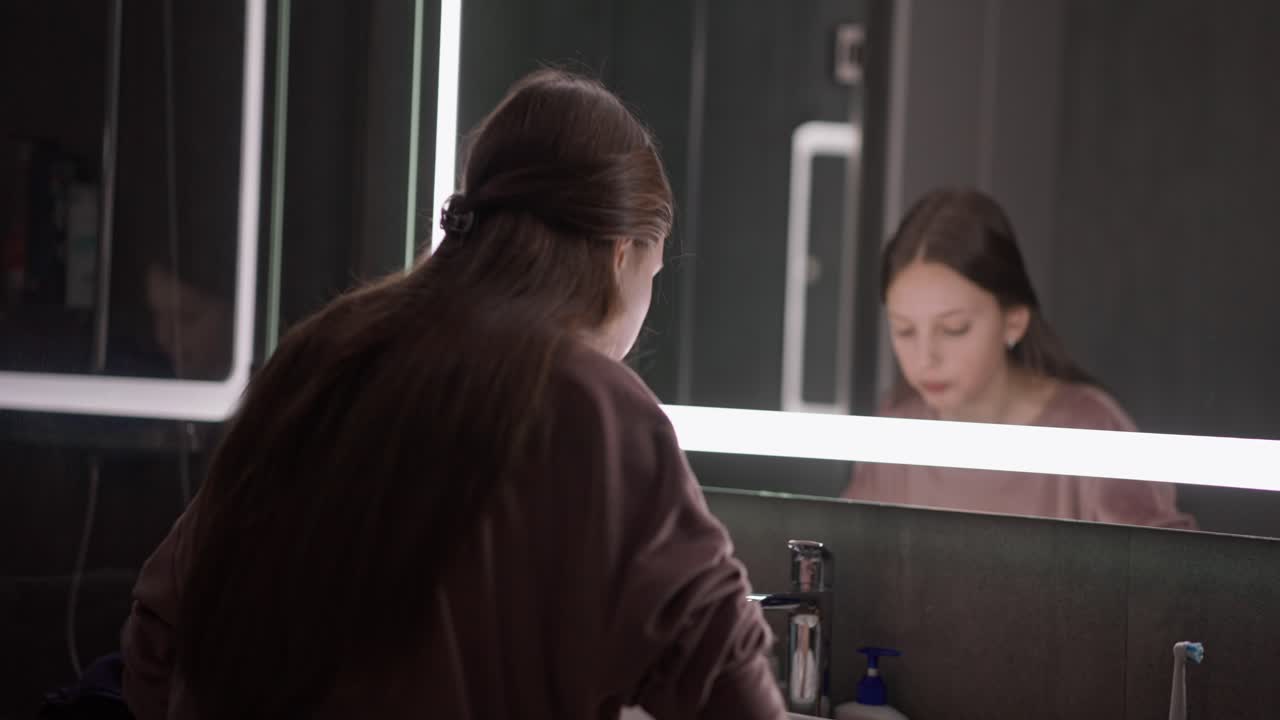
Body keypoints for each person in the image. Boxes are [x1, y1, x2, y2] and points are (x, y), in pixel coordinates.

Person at [121, 69, 788, 719]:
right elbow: (727, 684)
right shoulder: (598, 413)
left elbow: (158, 629)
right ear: (620, 255)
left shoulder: (320, 357)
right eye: (654, 272)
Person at [843, 188, 1195, 529]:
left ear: (1013, 322)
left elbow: (1172, 576)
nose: (925, 358)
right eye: (904, 331)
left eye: (954, 329)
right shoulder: (899, 424)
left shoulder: (1090, 430)